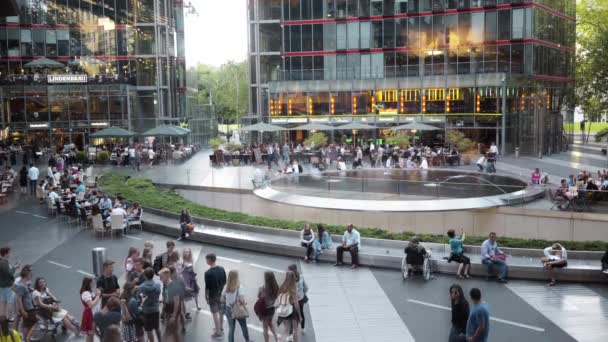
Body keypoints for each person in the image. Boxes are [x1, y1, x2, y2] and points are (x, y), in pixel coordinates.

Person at [222, 270, 251, 342]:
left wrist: (229, 302)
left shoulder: (226, 286)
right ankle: (247, 340)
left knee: (231, 328)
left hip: (228, 309)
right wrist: (244, 303)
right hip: (238, 310)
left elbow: (221, 299)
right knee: (243, 326)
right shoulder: (239, 287)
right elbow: (242, 300)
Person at [204, 253, 226, 339]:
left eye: (206, 259)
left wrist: (206, 296)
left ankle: (218, 332)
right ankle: (220, 327)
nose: (206, 261)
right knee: (220, 311)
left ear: (209, 260)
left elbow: (207, 287)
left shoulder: (208, 273)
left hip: (212, 295)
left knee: (214, 313)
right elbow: (225, 281)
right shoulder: (221, 269)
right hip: (220, 293)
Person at [276, 271, 301, 342]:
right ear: (293, 278)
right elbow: (296, 303)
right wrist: (300, 315)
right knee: (295, 330)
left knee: (286, 330)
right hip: (292, 310)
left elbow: (278, 299)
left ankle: (281, 340)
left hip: (284, 310)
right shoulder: (293, 287)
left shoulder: (282, 286)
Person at [14, 265, 36, 342]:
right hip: (27, 309)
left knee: (26, 325)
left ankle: (25, 338)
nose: (32, 274)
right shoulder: (21, 285)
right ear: (27, 274)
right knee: (33, 323)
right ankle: (26, 339)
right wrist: (23, 311)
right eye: (30, 273)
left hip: (28, 308)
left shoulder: (24, 284)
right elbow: (19, 299)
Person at [139, 268, 161, 342]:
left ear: (145, 276)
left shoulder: (142, 287)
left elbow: (142, 298)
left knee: (149, 330)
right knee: (157, 328)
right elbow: (158, 295)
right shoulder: (158, 285)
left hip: (147, 311)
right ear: (153, 275)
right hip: (156, 309)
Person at [255, 272, 279, 342]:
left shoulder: (263, 288)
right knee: (270, 323)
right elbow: (276, 296)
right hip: (272, 309)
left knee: (265, 327)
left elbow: (259, 296)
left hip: (264, 309)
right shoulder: (276, 287)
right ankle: (276, 338)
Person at [159, 268, 181, 342]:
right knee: (172, 331)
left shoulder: (173, 286)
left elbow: (177, 301)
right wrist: (163, 310)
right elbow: (166, 298)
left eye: (161, 277)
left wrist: (174, 316)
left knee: (171, 331)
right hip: (168, 311)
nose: (160, 279)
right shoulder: (166, 285)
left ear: (167, 275)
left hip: (172, 312)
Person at [287, 265, 308, 333]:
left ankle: (290, 333)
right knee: (301, 312)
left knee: (291, 316)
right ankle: (303, 328)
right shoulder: (301, 277)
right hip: (301, 298)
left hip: (293, 300)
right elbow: (306, 288)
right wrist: (302, 292)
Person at [80, 277, 101, 342]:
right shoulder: (85, 293)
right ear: (89, 283)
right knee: (91, 333)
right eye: (92, 283)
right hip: (90, 314)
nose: (93, 284)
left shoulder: (88, 292)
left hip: (92, 313)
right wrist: (98, 295)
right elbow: (91, 305)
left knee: (91, 333)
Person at [0, 247, 19, 319]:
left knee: (2, 301)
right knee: (9, 302)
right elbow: (9, 273)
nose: (10, 254)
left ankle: (2, 318)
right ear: (6, 254)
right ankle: (8, 318)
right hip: (8, 286)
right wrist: (15, 267)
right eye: (9, 253)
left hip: (1, 286)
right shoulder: (4, 262)